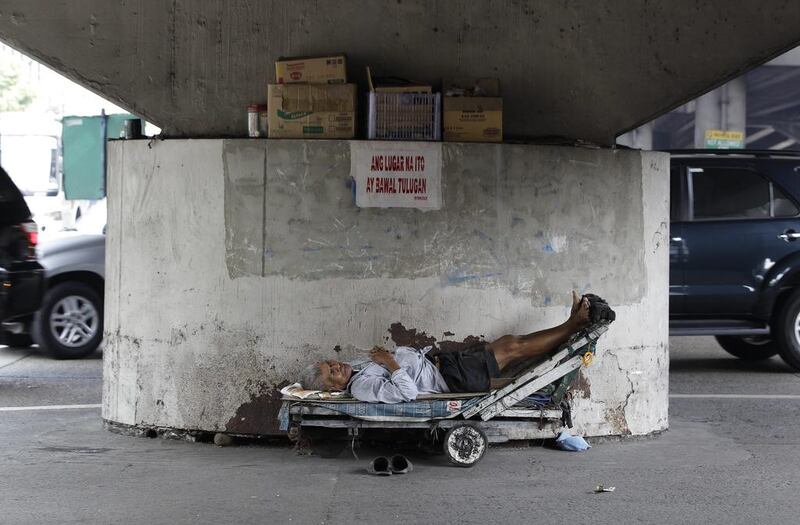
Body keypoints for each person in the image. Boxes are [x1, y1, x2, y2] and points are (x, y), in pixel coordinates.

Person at [301, 291, 607, 403]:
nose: (338, 366)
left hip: (445, 365)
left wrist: (386, 359)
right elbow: (407, 393)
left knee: (509, 345)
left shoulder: (358, 369)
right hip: (452, 379)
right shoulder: (360, 388)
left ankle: (571, 325)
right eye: (333, 373)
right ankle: (574, 324)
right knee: (514, 347)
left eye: (332, 362)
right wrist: (389, 362)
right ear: (332, 389)